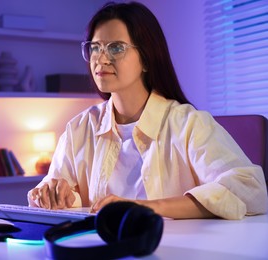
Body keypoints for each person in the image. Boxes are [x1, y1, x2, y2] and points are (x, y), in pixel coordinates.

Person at [27, 1, 267, 220]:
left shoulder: (189, 124)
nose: (101, 59)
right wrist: (55, 195)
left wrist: (148, 207)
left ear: (147, 58)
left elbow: (250, 189)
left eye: (116, 48)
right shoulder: (79, 128)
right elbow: (62, 193)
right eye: (95, 48)